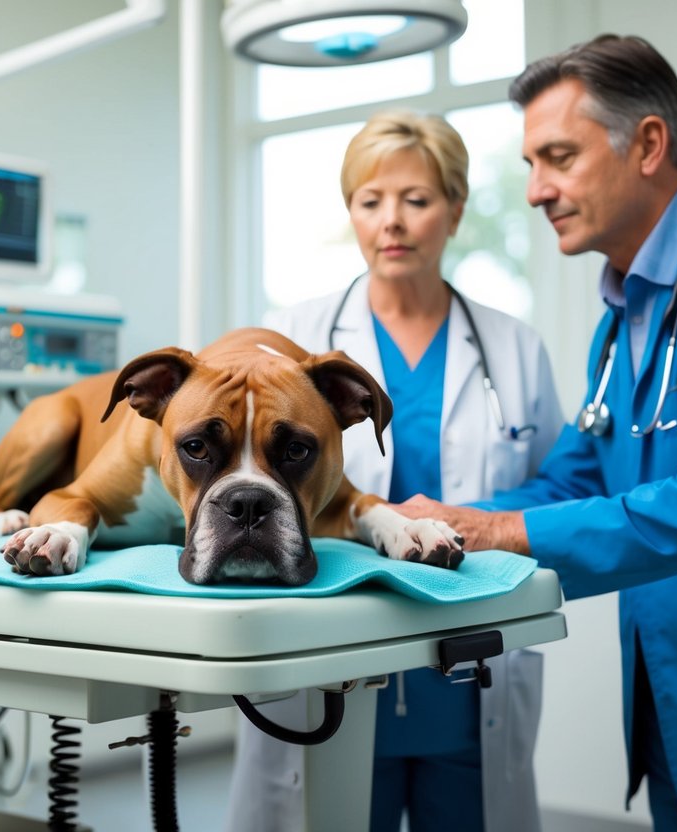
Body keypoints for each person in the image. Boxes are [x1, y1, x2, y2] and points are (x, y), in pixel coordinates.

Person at [395, 35, 677, 832]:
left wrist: (500, 529)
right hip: (674, 714)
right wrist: (434, 527)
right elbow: (572, 479)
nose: (536, 190)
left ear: (647, 144)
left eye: (557, 157)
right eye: (532, 164)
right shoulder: (622, 320)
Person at [225, 110, 564, 832]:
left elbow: (551, 487)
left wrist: (467, 523)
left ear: (454, 208)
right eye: (369, 201)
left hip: (469, 673)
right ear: (350, 211)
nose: (392, 222)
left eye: (416, 200)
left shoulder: (514, 346)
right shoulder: (293, 341)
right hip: (329, 661)